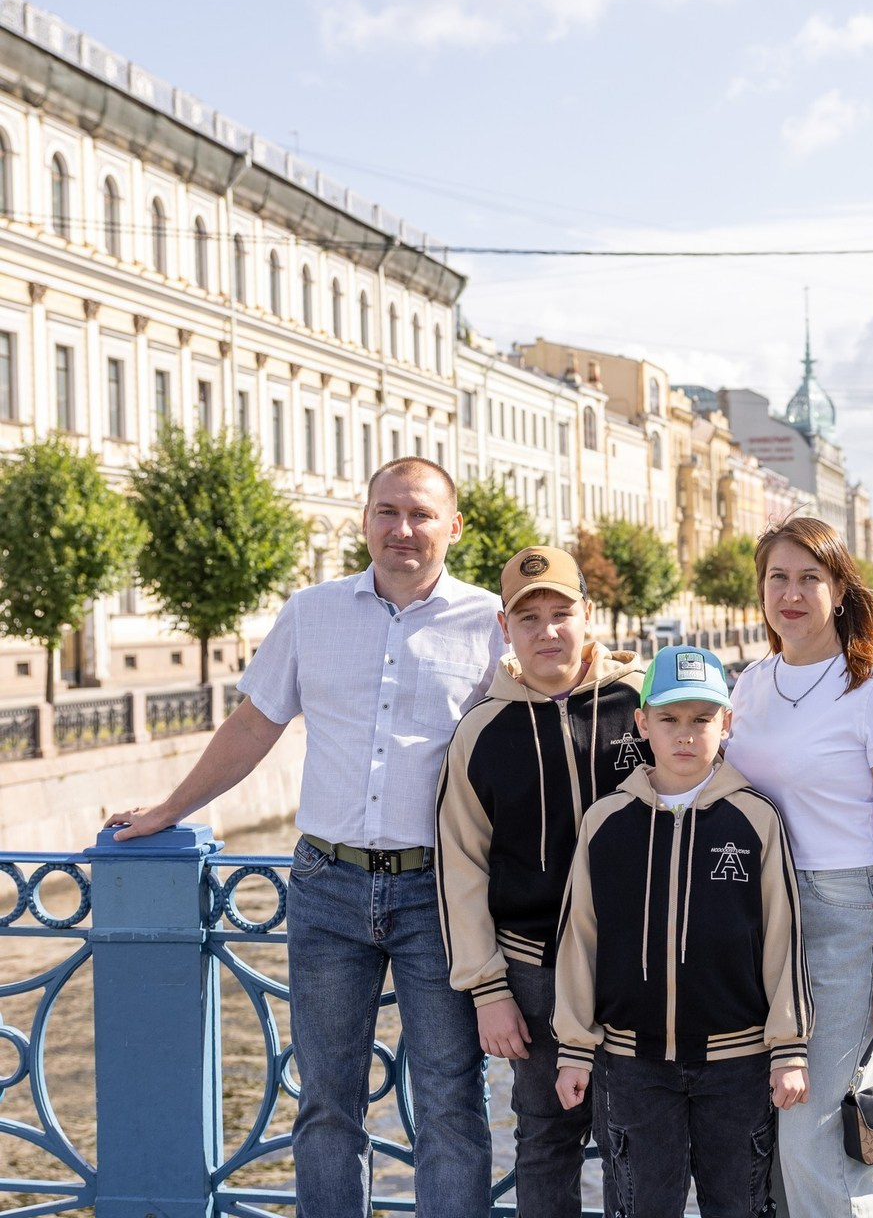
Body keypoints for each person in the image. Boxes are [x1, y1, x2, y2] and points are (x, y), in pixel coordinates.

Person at [105, 457, 506, 1218]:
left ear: (454, 527)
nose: (402, 529)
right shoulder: (311, 612)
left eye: (421, 514)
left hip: (442, 893)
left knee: (451, 1102)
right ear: (365, 520)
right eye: (387, 511)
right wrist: (168, 810)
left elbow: (538, 727)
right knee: (325, 1101)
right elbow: (255, 724)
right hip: (328, 885)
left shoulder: (490, 622)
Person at [554, 644, 813, 1218]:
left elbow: (783, 937)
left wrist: (788, 1048)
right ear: (642, 723)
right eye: (669, 719)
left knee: (739, 1206)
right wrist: (574, 1048)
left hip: (738, 1063)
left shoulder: (756, 818)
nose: (686, 735)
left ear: (727, 722)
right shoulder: (605, 821)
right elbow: (580, 940)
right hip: (633, 1064)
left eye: (701, 719)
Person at [724, 517, 873, 1218]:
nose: (791, 594)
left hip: (842, 916)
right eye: (777, 578)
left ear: (840, 591)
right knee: (768, 1137)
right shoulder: (751, 684)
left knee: (816, 1143)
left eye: (809, 578)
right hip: (755, 917)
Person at [435, 544, 647, 1217]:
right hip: (533, 974)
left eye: (562, 613)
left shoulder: (643, 701)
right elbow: (461, 867)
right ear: (505, 628)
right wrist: (487, 989)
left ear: (589, 615)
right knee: (546, 1139)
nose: (547, 631)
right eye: (529, 618)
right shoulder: (481, 731)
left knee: (638, 1140)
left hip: (637, 968)